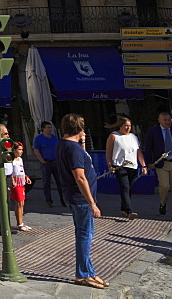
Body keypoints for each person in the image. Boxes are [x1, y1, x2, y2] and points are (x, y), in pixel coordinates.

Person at [56, 113, 107, 289]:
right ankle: (82, 274)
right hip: (80, 198)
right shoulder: (73, 149)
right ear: (80, 128)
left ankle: (88, 271)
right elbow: (80, 177)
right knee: (85, 236)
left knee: (83, 235)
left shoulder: (65, 144)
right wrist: (92, 203)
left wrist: (82, 141)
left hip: (72, 196)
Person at [105, 115, 146, 219]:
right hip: (120, 165)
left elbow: (138, 152)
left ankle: (123, 208)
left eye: (129, 126)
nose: (128, 128)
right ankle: (129, 211)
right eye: (125, 126)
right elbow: (108, 152)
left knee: (129, 188)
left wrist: (143, 165)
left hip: (132, 166)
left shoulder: (133, 137)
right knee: (125, 187)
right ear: (120, 126)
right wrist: (110, 165)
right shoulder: (114, 136)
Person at [32, 121, 65, 208]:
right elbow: (36, 150)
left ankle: (63, 200)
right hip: (46, 162)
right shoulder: (39, 139)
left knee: (60, 182)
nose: (50, 129)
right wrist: (42, 161)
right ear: (43, 129)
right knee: (47, 182)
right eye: (48, 128)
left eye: (50, 128)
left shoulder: (54, 138)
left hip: (55, 162)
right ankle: (48, 200)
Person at [7, 142, 32, 231]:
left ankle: (22, 222)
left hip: (22, 182)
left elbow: (22, 170)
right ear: (14, 150)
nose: (21, 152)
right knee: (19, 203)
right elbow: (10, 171)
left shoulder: (20, 159)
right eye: (19, 149)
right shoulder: (11, 160)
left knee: (22, 203)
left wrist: (26, 177)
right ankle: (19, 223)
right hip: (15, 183)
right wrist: (12, 180)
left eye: (22, 150)